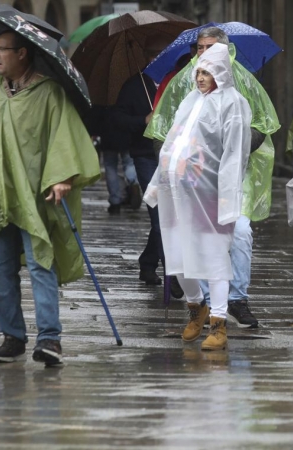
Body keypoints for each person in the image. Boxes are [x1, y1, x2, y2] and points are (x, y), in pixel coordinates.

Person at [0, 31, 100, 366]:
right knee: (0, 269)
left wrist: (63, 177)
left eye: (1, 50)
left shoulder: (50, 94)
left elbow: (65, 139)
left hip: (35, 195)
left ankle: (50, 339)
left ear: (22, 53)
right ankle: (12, 337)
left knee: (41, 264)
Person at [145, 26, 280, 328]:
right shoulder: (184, 87)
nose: (202, 56)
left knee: (236, 236)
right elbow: (165, 132)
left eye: (210, 48)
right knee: (184, 245)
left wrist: (234, 150)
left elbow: (260, 125)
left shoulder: (240, 89)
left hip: (228, 177)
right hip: (187, 182)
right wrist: (173, 168)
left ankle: (235, 301)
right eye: (199, 48)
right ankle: (203, 304)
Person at [144, 43, 251, 351]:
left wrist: (229, 195)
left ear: (221, 73)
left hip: (210, 192)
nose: (201, 78)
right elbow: (172, 142)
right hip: (177, 191)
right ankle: (196, 309)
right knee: (177, 255)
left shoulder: (234, 103)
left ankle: (218, 322)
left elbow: (234, 153)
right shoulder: (190, 100)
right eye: (198, 72)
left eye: (207, 72)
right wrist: (158, 182)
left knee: (214, 254)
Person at [108, 37, 182, 297]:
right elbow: (117, 118)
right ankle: (173, 275)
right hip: (145, 156)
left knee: (172, 217)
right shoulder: (133, 85)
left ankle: (148, 262)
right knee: (160, 215)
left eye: (161, 55)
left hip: (176, 156)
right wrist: (143, 119)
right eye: (152, 56)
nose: (156, 60)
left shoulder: (179, 83)